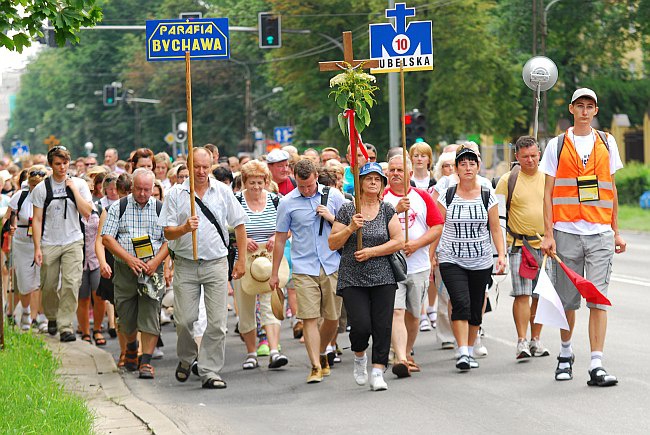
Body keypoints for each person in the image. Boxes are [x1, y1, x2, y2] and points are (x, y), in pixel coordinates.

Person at [540, 88, 626, 386]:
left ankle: (597, 364)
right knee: (568, 300)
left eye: (590, 106)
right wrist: (548, 233)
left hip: (600, 233)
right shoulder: (557, 144)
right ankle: (565, 354)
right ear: (571, 109)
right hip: (566, 232)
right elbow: (548, 192)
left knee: (598, 300)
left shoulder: (607, 141)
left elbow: (611, 189)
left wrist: (616, 231)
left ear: (596, 111)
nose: (585, 111)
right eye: (580, 106)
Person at [159, 147, 248, 390]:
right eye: (195, 166)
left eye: (204, 167)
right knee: (185, 320)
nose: (200, 171)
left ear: (211, 166)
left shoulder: (222, 191)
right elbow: (167, 231)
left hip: (216, 263)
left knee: (218, 323)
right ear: (187, 166)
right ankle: (188, 358)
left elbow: (239, 225)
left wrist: (241, 261)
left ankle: (209, 370)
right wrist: (184, 229)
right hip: (186, 264)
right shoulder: (176, 194)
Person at [269, 158, 346, 384]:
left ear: (315, 177)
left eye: (309, 186)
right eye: (301, 186)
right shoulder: (287, 202)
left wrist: (331, 217)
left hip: (332, 264)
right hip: (304, 267)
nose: (305, 190)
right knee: (309, 318)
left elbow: (348, 227)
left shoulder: (333, 196)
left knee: (332, 318)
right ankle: (314, 365)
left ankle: (322, 351)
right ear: (295, 179)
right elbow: (281, 240)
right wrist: (275, 273)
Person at [329, 162, 404, 390]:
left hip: (383, 275)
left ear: (382, 184)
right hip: (353, 276)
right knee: (361, 325)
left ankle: (378, 370)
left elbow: (399, 241)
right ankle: (360, 356)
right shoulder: (347, 209)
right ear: (360, 182)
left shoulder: (387, 209)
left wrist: (372, 251)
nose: (373, 182)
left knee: (382, 325)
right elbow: (332, 243)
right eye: (368, 178)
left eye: (377, 179)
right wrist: (350, 228)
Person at [435, 145, 506, 371]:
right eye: (462, 164)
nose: (467, 168)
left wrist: (501, 254)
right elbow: (437, 227)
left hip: (481, 260)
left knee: (476, 309)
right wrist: (431, 257)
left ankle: (469, 344)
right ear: (455, 168)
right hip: (451, 258)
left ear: (478, 167)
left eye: (472, 163)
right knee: (461, 303)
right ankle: (463, 352)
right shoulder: (447, 195)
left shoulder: (487, 195)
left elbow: (495, 229)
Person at [102, 168, 168, 379]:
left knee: (150, 314)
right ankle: (131, 346)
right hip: (125, 269)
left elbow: (170, 240)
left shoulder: (160, 208)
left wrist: (156, 261)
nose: (142, 193)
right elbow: (107, 238)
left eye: (147, 189)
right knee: (126, 315)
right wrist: (129, 259)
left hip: (151, 269)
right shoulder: (118, 207)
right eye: (138, 189)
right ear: (131, 187)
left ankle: (146, 361)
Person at [383, 155, 444, 377]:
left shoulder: (421, 197)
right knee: (396, 311)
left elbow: (437, 226)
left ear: (409, 174)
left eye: (400, 170)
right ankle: (399, 358)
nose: (396, 173)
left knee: (414, 314)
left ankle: (407, 353)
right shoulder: (381, 199)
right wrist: (395, 210)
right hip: (390, 266)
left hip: (418, 266)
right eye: (392, 170)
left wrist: (417, 244)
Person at [495, 136, 551, 359]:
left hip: (545, 246)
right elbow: (498, 218)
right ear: (517, 157)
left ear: (539, 155)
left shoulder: (548, 178)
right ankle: (521, 341)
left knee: (541, 295)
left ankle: (536, 340)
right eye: (525, 156)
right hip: (519, 246)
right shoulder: (507, 180)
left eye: (534, 156)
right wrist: (500, 251)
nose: (530, 160)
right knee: (522, 294)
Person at [32, 146, 94, 341]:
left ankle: (66, 326)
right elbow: (37, 219)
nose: (62, 167)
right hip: (50, 242)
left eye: (65, 163)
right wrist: (36, 248)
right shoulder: (42, 188)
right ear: (51, 165)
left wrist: (74, 190)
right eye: (58, 164)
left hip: (73, 241)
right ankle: (52, 316)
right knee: (49, 285)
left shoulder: (79, 184)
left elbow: (87, 212)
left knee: (71, 283)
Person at [232, 160, 288, 370]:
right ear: (244, 182)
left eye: (260, 182)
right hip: (244, 262)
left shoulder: (276, 200)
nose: (256, 187)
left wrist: (277, 237)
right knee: (245, 307)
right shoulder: (235, 200)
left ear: (267, 181)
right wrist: (241, 240)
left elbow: (287, 228)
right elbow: (226, 229)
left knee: (270, 304)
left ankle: (274, 350)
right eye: (252, 182)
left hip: (270, 260)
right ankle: (251, 353)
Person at [4, 166, 48, 332]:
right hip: (22, 243)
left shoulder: (47, 198)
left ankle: (40, 316)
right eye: (33, 186)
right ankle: (26, 312)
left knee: (41, 281)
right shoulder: (20, 197)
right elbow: (8, 217)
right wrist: (11, 227)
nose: (36, 189)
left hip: (42, 242)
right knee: (24, 282)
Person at [76, 175, 106, 346]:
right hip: (79, 259)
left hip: (96, 258)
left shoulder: (99, 208)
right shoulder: (73, 209)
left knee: (99, 296)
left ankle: (98, 329)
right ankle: (85, 331)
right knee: (83, 298)